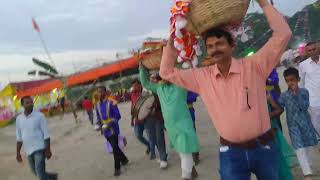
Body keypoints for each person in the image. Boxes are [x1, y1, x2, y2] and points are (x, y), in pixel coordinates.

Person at [159, 0, 292, 179]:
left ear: (232, 45)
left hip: (264, 147)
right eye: (210, 46)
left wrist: (264, 4)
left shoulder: (255, 66)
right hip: (231, 152)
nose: (215, 49)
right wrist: (172, 40)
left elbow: (283, 34)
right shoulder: (201, 77)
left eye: (220, 44)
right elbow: (166, 72)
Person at [140, 65, 200, 180]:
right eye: (162, 76)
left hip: (183, 124)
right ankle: (192, 171)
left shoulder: (180, 86)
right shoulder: (159, 89)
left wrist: (171, 62)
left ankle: (185, 176)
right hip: (171, 126)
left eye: (167, 76)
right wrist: (141, 67)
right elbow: (145, 83)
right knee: (181, 150)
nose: (165, 78)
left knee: (184, 149)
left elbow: (181, 72)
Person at [278, 67, 318, 179]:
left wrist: (297, 95)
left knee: (308, 146)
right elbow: (279, 107)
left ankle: (308, 167)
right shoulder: (284, 95)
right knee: (299, 148)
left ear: (298, 79)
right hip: (293, 126)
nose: (290, 83)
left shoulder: (304, 92)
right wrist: (270, 98)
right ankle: (307, 173)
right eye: (288, 81)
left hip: (306, 124)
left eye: (292, 80)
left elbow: (304, 106)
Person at [16, 96, 57, 180]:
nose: (30, 104)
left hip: (40, 148)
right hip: (28, 150)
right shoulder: (19, 119)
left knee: (39, 171)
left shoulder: (40, 116)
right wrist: (18, 153)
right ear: (22, 105)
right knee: (34, 170)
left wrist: (48, 150)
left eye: (31, 102)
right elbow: (19, 138)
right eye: (27, 103)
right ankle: (53, 177)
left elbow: (46, 135)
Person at [96, 86, 129, 176]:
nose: (99, 93)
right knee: (115, 147)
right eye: (98, 92)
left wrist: (109, 124)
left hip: (113, 129)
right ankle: (124, 159)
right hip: (105, 131)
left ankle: (117, 168)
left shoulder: (111, 102)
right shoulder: (97, 105)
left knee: (114, 148)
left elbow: (118, 116)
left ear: (105, 92)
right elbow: (98, 118)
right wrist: (98, 125)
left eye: (101, 91)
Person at [267, 93, 295, 180]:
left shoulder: (266, 95)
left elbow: (279, 109)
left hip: (271, 129)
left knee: (277, 156)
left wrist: (269, 115)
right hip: (257, 133)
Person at [149, 73, 168, 169]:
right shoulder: (147, 90)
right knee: (157, 139)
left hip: (164, 116)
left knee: (174, 136)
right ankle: (163, 157)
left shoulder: (162, 88)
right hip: (153, 118)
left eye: (154, 77)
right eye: (151, 78)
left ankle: (188, 155)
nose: (152, 79)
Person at [299, 52, 320, 137]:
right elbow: (301, 82)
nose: (312, 51)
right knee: (316, 122)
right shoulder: (303, 65)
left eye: (314, 49)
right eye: (310, 50)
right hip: (313, 100)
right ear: (307, 52)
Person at [130, 80, 151, 155]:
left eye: (136, 85)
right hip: (138, 120)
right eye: (133, 86)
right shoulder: (132, 94)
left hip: (147, 119)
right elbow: (133, 106)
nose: (134, 87)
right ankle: (148, 145)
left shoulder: (145, 93)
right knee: (138, 135)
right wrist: (132, 119)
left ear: (140, 85)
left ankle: (156, 152)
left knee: (150, 135)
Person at [187, 91, 200, 165]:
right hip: (179, 114)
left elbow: (194, 96)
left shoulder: (187, 85)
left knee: (192, 134)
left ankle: (195, 155)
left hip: (189, 112)